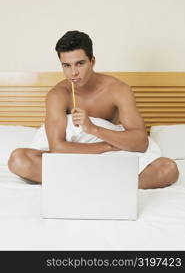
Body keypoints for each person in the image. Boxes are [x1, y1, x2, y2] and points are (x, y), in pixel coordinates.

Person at [8, 30, 179, 188]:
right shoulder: (58, 94)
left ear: (92, 61)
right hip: (73, 158)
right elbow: (58, 148)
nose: (73, 73)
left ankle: (85, 183)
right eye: (66, 66)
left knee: (168, 169)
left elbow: (140, 142)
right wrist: (107, 147)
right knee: (18, 159)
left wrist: (92, 129)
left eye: (80, 63)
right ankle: (107, 184)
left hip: (110, 160)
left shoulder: (117, 89)